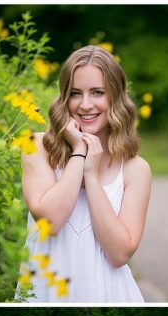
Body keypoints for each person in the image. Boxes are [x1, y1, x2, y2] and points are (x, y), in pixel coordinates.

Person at [18, 45, 151, 302]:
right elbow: (51, 223)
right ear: (64, 98)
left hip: (110, 295)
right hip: (43, 294)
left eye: (98, 92)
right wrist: (79, 152)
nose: (86, 104)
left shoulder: (136, 170)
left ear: (115, 97)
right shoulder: (36, 147)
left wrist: (91, 176)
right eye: (76, 93)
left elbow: (119, 254)